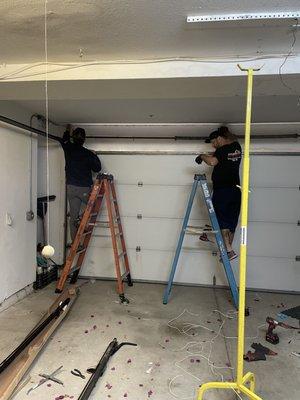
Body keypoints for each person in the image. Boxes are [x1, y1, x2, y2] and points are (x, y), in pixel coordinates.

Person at [195, 126, 242, 260]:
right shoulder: (237, 146)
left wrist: (201, 156)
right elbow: (233, 138)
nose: (213, 145)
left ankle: (228, 250)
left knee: (221, 220)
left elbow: (211, 162)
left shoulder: (221, 150)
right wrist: (225, 131)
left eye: (214, 142)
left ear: (220, 138)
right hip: (236, 190)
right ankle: (227, 252)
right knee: (231, 222)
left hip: (223, 190)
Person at [59, 127, 102, 241]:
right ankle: (81, 220)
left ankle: (74, 242)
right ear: (84, 140)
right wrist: (95, 154)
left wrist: (67, 131)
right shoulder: (87, 154)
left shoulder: (68, 148)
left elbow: (64, 140)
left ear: (73, 138)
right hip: (83, 189)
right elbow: (97, 168)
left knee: (73, 216)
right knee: (94, 207)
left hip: (71, 188)